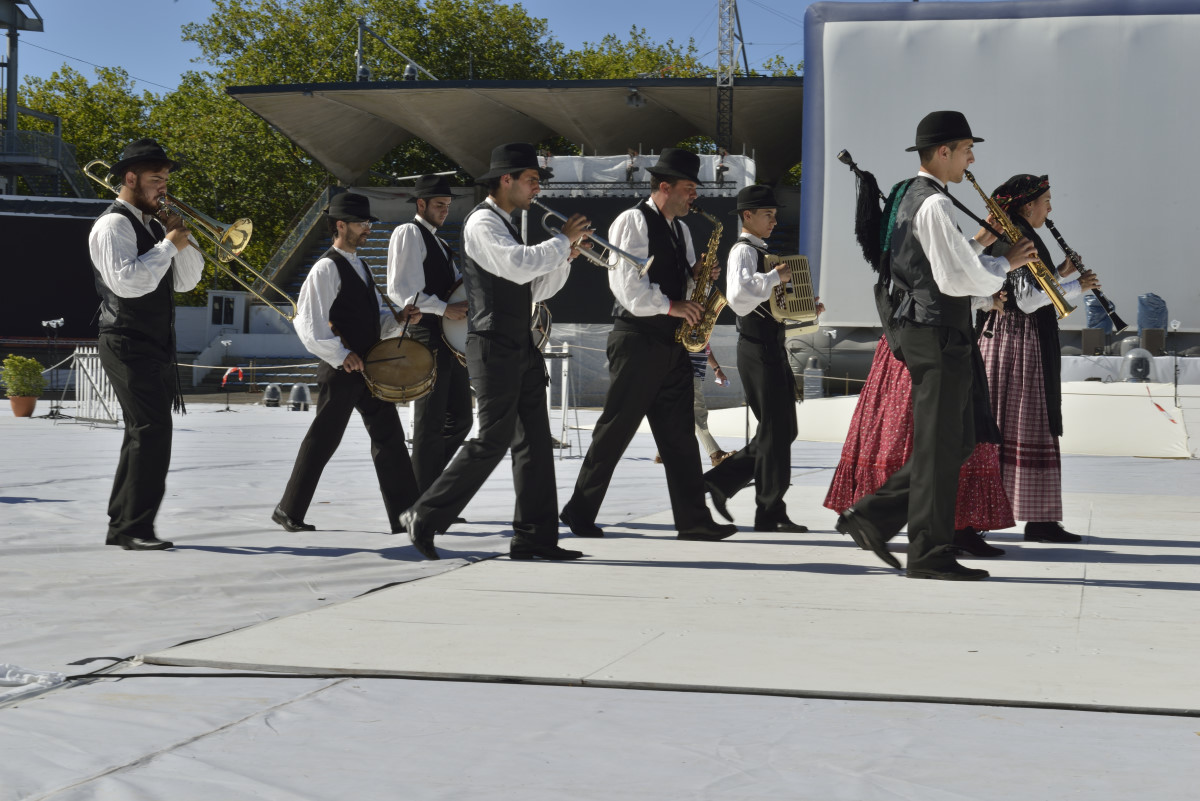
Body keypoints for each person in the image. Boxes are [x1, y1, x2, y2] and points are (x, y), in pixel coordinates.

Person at [834, 111, 1037, 580]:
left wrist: (980, 248)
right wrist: (1005, 262)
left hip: (928, 330)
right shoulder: (934, 204)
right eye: (967, 150)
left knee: (955, 442)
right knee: (943, 444)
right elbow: (953, 277)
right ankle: (926, 552)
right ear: (943, 152)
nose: (971, 160)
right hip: (938, 332)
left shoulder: (909, 194)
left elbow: (936, 263)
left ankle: (874, 518)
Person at [396, 143, 588, 561]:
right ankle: (424, 514)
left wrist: (564, 258)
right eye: (531, 180)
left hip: (519, 343)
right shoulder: (482, 223)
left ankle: (535, 538)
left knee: (535, 444)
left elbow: (535, 288)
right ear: (506, 180)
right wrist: (561, 241)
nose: (537, 188)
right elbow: (517, 265)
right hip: (492, 342)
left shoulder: (506, 224)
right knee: (492, 439)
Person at [560, 148, 738, 542]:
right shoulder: (633, 220)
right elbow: (627, 288)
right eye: (689, 187)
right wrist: (673, 305)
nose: (695, 195)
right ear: (665, 187)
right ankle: (579, 510)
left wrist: (697, 276)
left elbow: (683, 287)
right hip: (638, 340)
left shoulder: (681, 229)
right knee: (616, 430)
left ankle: (693, 520)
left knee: (679, 436)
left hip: (671, 341)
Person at [273, 192, 422, 536]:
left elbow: (372, 319)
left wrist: (399, 319)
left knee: (390, 437)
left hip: (369, 369)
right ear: (340, 225)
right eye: (360, 223)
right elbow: (309, 324)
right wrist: (341, 355)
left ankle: (406, 517)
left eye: (368, 222)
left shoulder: (362, 265)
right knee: (323, 440)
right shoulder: (326, 267)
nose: (367, 228)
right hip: (341, 370)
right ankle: (288, 510)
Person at [88, 138, 205, 550]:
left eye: (166, 179)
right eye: (157, 179)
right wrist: (168, 245)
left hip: (154, 342)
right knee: (152, 430)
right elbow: (128, 282)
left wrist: (179, 238)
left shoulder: (156, 226)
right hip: (125, 339)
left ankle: (122, 522)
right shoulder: (113, 225)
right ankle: (134, 528)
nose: (164, 187)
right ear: (131, 178)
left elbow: (187, 281)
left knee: (142, 431)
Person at [980, 174, 1100, 543]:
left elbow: (1032, 285)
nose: (1050, 207)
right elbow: (1027, 300)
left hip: (1013, 339)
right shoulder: (1016, 236)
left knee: (1015, 424)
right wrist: (1077, 286)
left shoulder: (1019, 233)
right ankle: (1032, 519)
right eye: (1046, 200)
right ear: (1028, 204)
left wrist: (1060, 273)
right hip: (1017, 340)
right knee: (1027, 421)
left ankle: (1033, 517)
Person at [823, 332, 1014, 557]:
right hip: (920, 347)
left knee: (958, 441)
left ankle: (952, 529)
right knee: (935, 441)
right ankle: (875, 520)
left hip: (945, 343)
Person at [703, 184, 816, 534]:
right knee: (776, 430)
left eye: (775, 215)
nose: (774, 221)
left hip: (769, 346)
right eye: (768, 214)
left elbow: (770, 305)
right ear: (747, 215)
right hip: (757, 348)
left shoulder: (758, 251)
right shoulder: (743, 251)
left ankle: (741, 492)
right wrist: (774, 277)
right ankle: (764, 506)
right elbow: (738, 298)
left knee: (782, 430)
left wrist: (807, 310)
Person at [386, 174, 472, 493]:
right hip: (426, 337)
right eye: (439, 204)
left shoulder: (440, 242)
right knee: (429, 423)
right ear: (420, 204)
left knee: (461, 420)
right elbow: (401, 290)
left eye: (447, 205)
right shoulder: (408, 232)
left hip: (447, 341)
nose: (445, 210)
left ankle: (422, 488)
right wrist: (444, 309)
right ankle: (421, 498)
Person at [654, 344, 736, 467]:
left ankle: (661, 454)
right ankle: (715, 454)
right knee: (698, 414)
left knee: (677, 415)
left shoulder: (700, 332)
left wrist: (716, 368)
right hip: (687, 371)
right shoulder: (685, 329)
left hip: (682, 372)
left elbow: (704, 345)